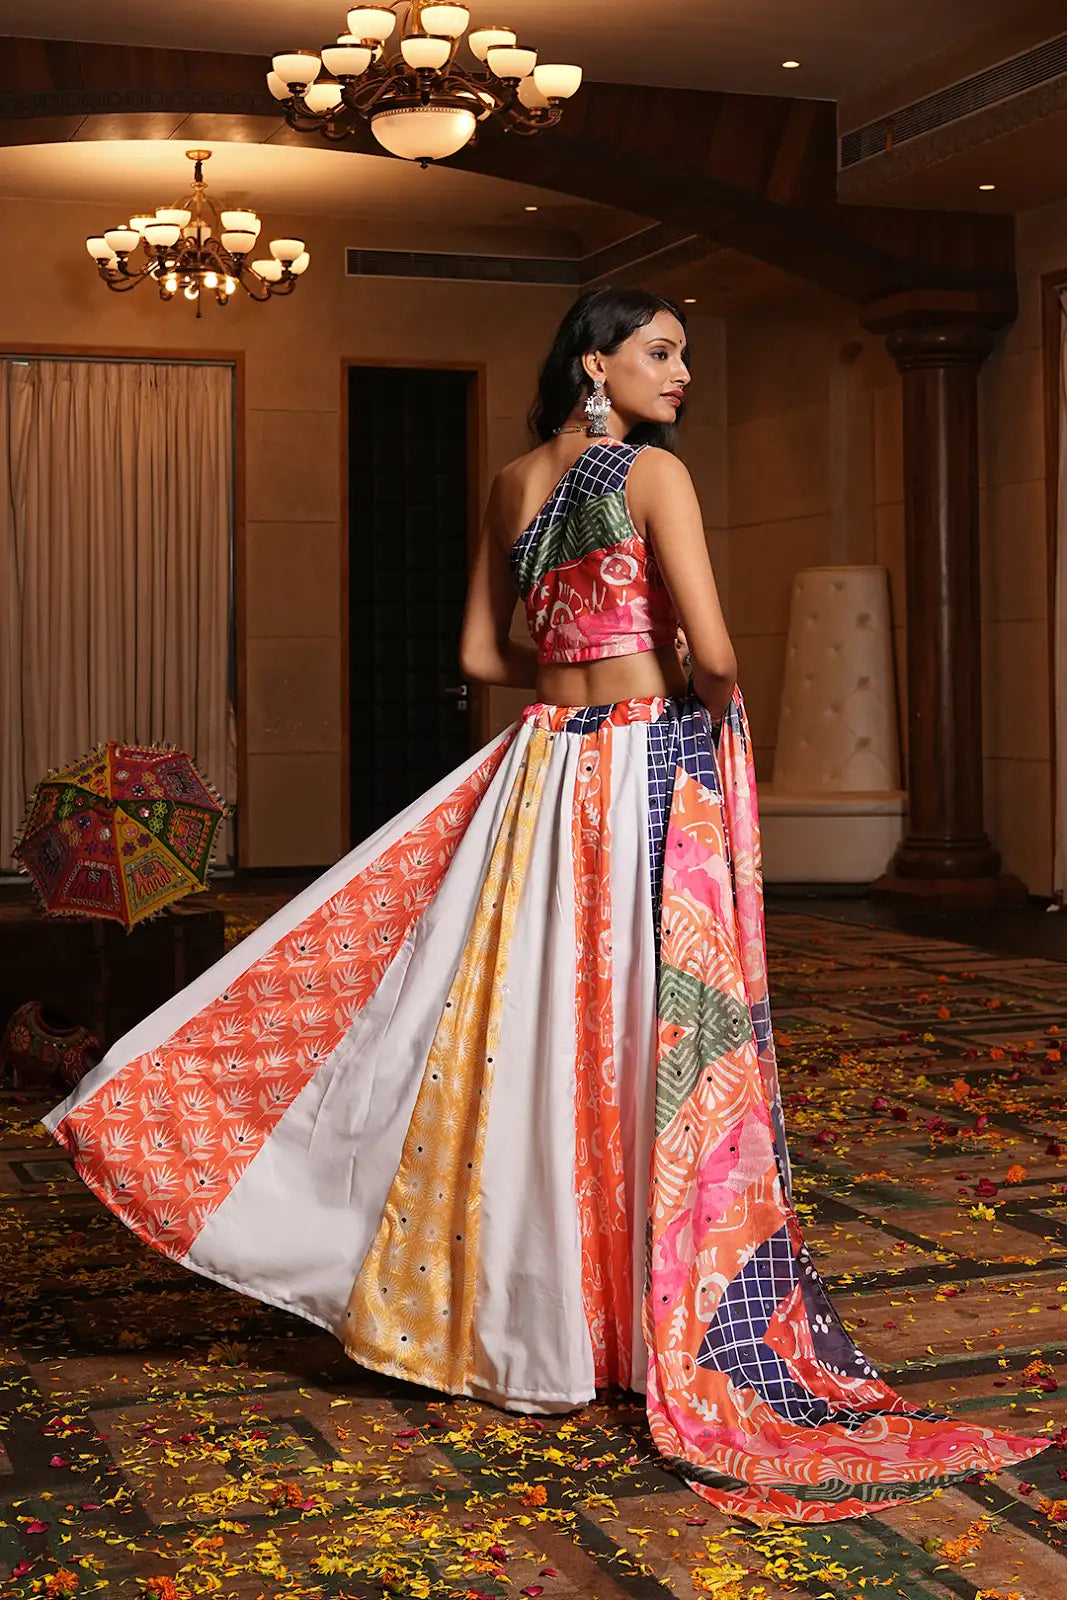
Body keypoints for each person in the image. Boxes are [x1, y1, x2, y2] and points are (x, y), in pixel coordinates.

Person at [46, 287, 1043, 1525]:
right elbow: (717, 654)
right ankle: (635, 1314)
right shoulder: (652, 475)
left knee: (520, 1031)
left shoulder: (513, 480)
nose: (681, 374)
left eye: (685, 353)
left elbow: (478, 656)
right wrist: (688, 697)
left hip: (542, 768)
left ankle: (519, 1317)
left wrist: (569, 663)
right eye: (660, 351)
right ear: (595, 362)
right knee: (639, 1031)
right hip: (638, 766)